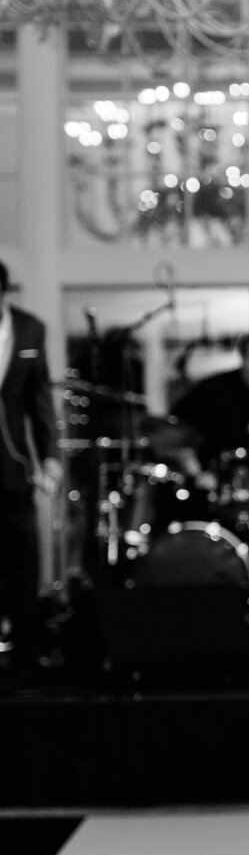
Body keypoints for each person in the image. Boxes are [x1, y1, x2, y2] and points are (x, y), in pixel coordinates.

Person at [0, 262, 61, 681]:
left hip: (12, 465)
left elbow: (40, 399)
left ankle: (26, 656)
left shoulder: (30, 329)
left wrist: (50, 459)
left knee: (22, 561)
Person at [172, 329, 249, 479]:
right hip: (216, 483)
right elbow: (175, 428)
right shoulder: (212, 389)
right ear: (243, 358)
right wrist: (196, 473)